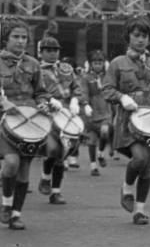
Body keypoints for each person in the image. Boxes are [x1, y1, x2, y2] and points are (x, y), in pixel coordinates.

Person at [102, 17, 150, 225]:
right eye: (137, 35)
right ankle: (126, 187)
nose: (141, 40)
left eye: (145, 36)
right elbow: (107, 89)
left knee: (148, 165)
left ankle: (139, 210)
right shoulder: (118, 63)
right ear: (128, 37)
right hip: (129, 119)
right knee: (139, 158)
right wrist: (122, 97)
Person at [0, 17, 52, 229]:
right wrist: (3, 103)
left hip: (30, 122)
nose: (20, 41)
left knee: (23, 170)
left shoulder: (33, 64)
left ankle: (16, 214)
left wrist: (43, 103)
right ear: (5, 39)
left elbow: (41, 92)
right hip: (4, 122)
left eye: (24, 37)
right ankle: (5, 204)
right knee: (11, 162)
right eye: (16, 37)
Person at [37, 37, 83, 205]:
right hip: (47, 113)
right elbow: (36, 91)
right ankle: (45, 177)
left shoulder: (66, 68)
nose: (52, 53)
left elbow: (77, 87)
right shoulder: (37, 69)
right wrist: (48, 100)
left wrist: (75, 100)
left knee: (63, 152)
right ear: (41, 52)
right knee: (53, 149)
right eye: (48, 50)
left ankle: (55, 192)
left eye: (55, 50)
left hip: (66, 113)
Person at [80, 50, 112, 176]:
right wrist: (86, 104)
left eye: (100, 62)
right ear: (90, 64)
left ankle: (101, 153)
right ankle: (93, 165)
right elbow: (84, 91)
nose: (98, 65)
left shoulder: (108, 77)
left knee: (104, 132)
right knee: (92, 140)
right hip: (92, 110)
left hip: (105, 108)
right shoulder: (86, 77)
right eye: (95, 63)